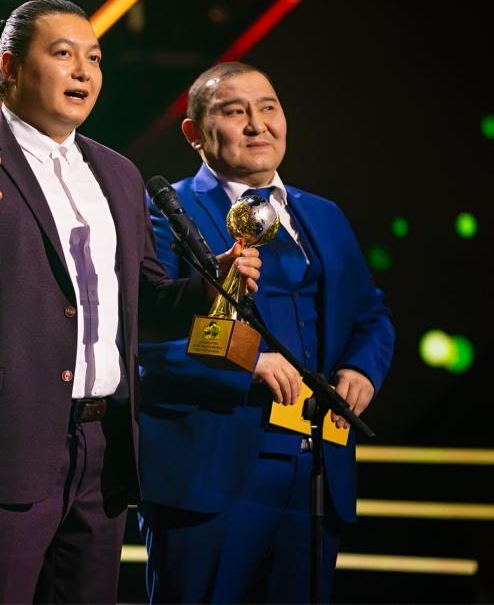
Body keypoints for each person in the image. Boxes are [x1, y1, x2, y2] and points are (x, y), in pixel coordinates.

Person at [0, 0, 261, 604]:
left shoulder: (119, 174)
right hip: (3, 441)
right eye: (63, 54)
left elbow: (145, 306)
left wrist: (209, 287)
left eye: (95, 58)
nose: (84, 71)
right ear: (10, 67)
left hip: (103, 446)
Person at [137, 61, 395, 603]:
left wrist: (361, 369)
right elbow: (144, 333)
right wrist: (248, 360)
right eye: (236, 112)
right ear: (194, 133)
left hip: (316, 469)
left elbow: (371, 314)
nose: (258, 125)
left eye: (269, 108)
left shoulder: (324, 214)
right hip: (213, 469)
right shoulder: (165, 214)